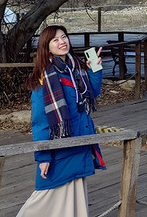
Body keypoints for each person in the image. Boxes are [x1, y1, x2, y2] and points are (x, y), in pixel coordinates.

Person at [17, 25, 105, 217]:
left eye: (63, 37)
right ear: (46, 47)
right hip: (60, 146)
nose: (62, 42)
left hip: (80, 139)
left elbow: (92, 94)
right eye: (55, 40)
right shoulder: (44, 78)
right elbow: (40, 122)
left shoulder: (76, 69)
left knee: (75, 191)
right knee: (46, 193)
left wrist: (95, 70)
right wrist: (43, 157)